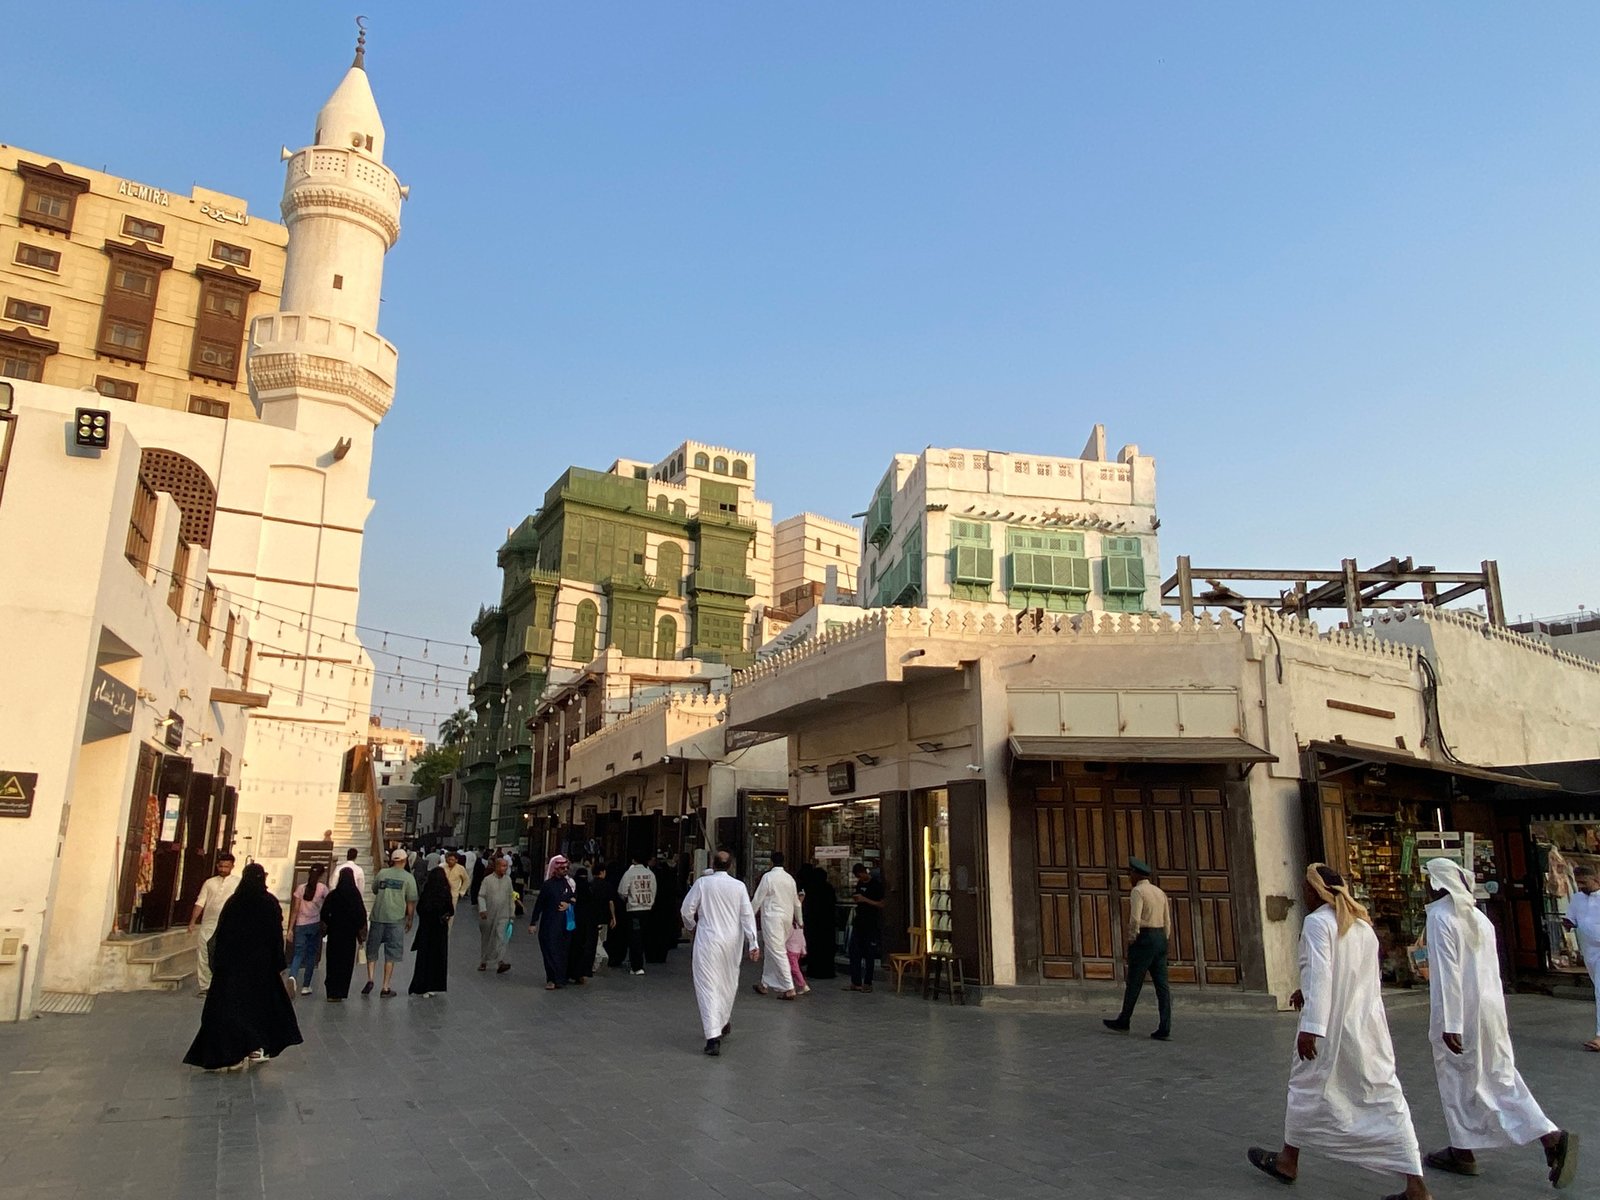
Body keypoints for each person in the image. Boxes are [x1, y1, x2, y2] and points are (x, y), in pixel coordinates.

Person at [1247, 864, 1430, 1200]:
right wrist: (1306, 992)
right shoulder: (1363, 928)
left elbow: (1322, 976)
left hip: (1329, 1029)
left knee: (1305, 1086)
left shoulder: (1317, 924)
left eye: (1305, 885)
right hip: (1366, 1029)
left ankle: (1289, 1161)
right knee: (1384, 1097)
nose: (1301, 890)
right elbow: (1354, 978)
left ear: (1316, 891)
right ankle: (1415, 1185)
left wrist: (1310, 1029)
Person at [1420, 858, 1578, 1187]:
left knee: (1458, 1078)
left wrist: (1451, 1022)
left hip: (1461, 1012)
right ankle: (1463, 1148)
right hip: (1490, 1010)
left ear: (1438, 884)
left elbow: (1448, 973)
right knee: (1497, 1075)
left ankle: (1548, 1135)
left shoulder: (1439, 917)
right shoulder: (1480, 918)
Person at [183, 864, 303, 1071]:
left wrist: (218, 964)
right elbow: (275, 937)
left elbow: (221, 936)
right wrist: (279, 964)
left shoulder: (234, 902)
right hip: (260, 970)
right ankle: (255, 1047)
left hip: (232, 969)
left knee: (232, 1009)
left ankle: (232, 1053)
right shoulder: (269, 903)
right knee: (258, 1010)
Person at [680, 851, 760, 1056]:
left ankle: (713, 1035)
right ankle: (722, 1021)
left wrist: (692, 926)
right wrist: (753, 942)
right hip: (732, 943)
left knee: (707, 985)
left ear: (713, 865)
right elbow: (747, 915)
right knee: (728, 982)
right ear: (730, 865)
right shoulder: (739, 887)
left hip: (708, 940)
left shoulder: (703, 884)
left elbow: (686, 910)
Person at [1103, 857, 1172, 1040]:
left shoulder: (1138, 891)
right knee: (1162, 986)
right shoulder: (1159, 892)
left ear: (1135, 874)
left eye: (1130, 874)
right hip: (1160, 938)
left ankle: (1124, 1020)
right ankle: (1165, 1026)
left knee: (1134, 982)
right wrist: (1164, 940)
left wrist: (1132, 939)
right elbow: (1167, 921)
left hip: (1145, 939)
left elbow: (1135, 919)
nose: (1129, 877)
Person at [364, 847, 417, 998]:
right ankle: (385, 986)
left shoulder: (382, 873)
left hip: (378, 916)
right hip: (396, 919)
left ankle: (370, 978)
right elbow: (411, 901)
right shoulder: (408, 878)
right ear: (405, 861)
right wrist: (410, 919)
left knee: (372, 950)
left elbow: (374, 890)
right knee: (391, 953)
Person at [186, 852, 239, 998]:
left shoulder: (237, 883)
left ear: (232, 866)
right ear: (217, 866)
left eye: (226, 866)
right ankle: (206, 986)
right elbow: (200, 902)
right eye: (221, 866)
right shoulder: (209, 883)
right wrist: (192, 921)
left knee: (223, 954)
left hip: (228, 924)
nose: (223, 869)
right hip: (208, 923)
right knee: (203, 953)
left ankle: (223, 986)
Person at [751, 851, 801, 999]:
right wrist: (800, 920)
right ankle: (764, 983)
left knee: (777, 950)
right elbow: (796, 902)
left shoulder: (768, 877)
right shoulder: (789, 879)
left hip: (773, 918)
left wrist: (748, 916)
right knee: (772, 949)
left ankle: (789, 987)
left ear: (771, 862)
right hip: (787, 917)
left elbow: (757, 899)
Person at [1562, 863, 1600, 1052]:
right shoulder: (1577, 898)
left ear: (1596, 879)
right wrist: (1567, 924)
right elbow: (1571, 919)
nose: (1581, 886)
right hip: (1589, 953)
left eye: (1584, 882)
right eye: (1578, 883)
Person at [529, 855, 576, 990]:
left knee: (562, 951)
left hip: (564, 924)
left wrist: (569, 904)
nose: (565, 870)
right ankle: (551, 978)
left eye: (566, 868)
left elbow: (574, 898)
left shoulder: (569, 884)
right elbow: (539, 905)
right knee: (550, 950)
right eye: (562, 868)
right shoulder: (548, 886)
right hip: (549, 924)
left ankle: (560, 979)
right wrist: (533, 922)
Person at [321, 865, 367, 1002]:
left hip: (335, 935)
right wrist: (359, 931)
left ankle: (331, 992)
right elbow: (361, 915)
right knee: (345, 965)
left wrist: (329, 925)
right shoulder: (355, 896)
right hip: (349, 937)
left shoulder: (333, 895)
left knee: (333, 963)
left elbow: (324, 913)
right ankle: (341, 991)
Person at [408, 866, 453, 997]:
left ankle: (420, 985)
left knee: (424, 958)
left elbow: (420, 909)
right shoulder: (445, 892)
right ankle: (433, 985)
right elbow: (450, 909)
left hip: (425, 930)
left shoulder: (427, 891)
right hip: (439, 930)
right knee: (437, 958)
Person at [286, 864, 329, 997]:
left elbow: (295, 910)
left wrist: (290, 929)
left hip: (300, 924)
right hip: (315, 924)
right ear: (321, 874)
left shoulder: (301, 888)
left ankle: (292, 976)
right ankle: (306, 985)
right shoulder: (322, 889)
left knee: (298, 953)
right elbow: (328, 906)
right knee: (311, 955)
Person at [845, 863, 885, 993]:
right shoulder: (859, 884)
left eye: (860, 876)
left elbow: (882, 904)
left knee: (869, 953)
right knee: (854, 951)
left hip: (871, 922)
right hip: (859, 921)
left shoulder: (876, 885)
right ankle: (855, 982)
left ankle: (868, 982)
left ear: (864, 873)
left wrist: (865, 900)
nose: (860, 879)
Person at [617, 853, 657, 975]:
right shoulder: (650, 874)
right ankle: (641, 962)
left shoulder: (629, 873)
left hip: (633, 909)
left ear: (634, 860)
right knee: (644, 936)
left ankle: (636, 966)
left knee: (635, 937)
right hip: (647, 909)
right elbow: (654, 890)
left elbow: (622, 891)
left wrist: (628, 899)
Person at [478, 853, 515, 974]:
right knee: (487, 938)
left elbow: (510, 897)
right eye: (503, 866)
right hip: (488, 914)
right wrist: (482, 909)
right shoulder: (488, 880)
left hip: (503, 914)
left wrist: (512, 913)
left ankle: (500, 961)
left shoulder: (508, 880)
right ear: (497, 867)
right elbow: (481, 896)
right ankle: (484, 961)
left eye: (506, 866)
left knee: (502, 937)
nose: (505, 868)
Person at [800, 865, 838, 980]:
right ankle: (828, 971)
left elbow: (807, 906)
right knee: (827, 948)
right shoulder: (829, 888)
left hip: (814, 924)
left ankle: (814, 970)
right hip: (828, 924)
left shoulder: (810, 889)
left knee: (814, 947)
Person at [566, 865, 601, 985]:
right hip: (588, 926)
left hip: (573, 924)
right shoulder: (590, 890)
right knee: (585, 949)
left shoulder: (573, 890)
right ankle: (581, 974)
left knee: (572, 948)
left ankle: (569, 972)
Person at [786, 917, 809, 996]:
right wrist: (803, 950)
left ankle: (803, 984)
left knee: (794, 969)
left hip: (790, 950)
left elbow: (786, 938)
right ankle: (799, 984)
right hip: (797, 950)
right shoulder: (800, 928)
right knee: (794, 968)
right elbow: (802, 940)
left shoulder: (790, 928)